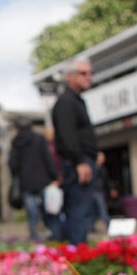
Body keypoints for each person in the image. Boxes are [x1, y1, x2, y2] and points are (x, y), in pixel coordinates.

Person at [51, 57, 97, 245]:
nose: (89, 76)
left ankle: (80, 249)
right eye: (83, 73)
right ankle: (78, 254)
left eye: (90, 73)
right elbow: (67, 135)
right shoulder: (66, 102)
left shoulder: (76, 101)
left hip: (83, 160)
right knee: (78, 210)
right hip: (77, 163)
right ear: (70, 76)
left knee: (83, 211)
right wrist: (80, 161)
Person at [9, 116, 59, 241]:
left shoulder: (16, 142)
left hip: (26, 181)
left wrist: (17, 175)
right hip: (43, 179)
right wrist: (54, 175)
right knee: (49, 209)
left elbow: (13, 163)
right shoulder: (39, 138)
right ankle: (54, 235)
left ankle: (35, 237)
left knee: (32, 212)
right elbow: (48, 158)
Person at [92, 152, 111, 232]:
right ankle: (91, 227)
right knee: (94, 210)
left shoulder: (103, 169)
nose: (103, 159)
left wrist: (110, 189)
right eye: (101, 157)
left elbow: (107, 181)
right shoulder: (93, 167)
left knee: (102, 209)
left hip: (100, 191)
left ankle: (109, 226)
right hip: (93, 191)